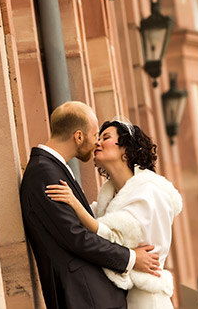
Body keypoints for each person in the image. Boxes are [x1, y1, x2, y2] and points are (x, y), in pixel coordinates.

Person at [20, 102, 160, 309]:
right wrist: (130, 258)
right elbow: (76, 236)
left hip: (93, 294)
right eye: (96, 135)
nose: (97, 143)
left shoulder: (54, 169)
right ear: (78, 136)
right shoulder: (44, 172)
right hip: (84, 296)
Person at [46, 118, 182, 308]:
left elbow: (111, 237)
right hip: (122, 295)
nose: (97, 143)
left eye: (106, 137)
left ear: (125, 149)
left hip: (147, 299)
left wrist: (74, 203)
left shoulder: (149, 191)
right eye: (98, 137)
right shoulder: (108, 198)